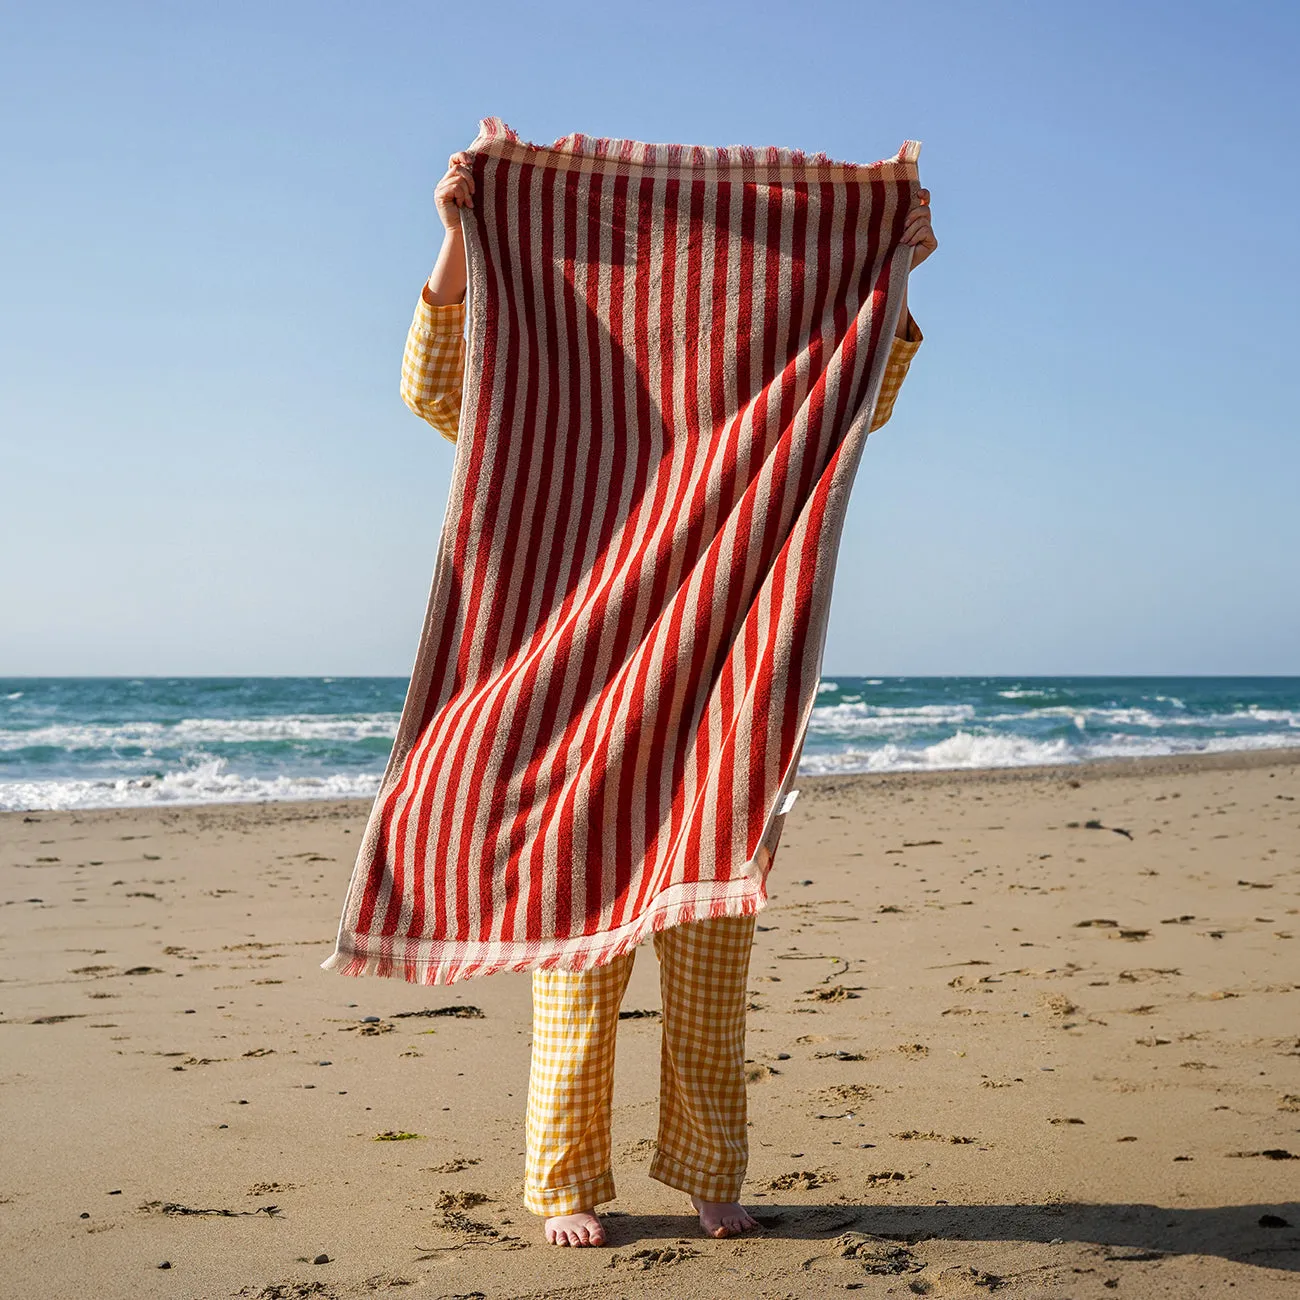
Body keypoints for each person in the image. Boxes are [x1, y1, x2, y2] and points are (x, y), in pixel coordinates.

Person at [399, 150, 937, 1248]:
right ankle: (563, 1182)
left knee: (705, 964)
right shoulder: (545, 415)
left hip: (710, 710)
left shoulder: (743, 438)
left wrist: (897, 265)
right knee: (577, 960)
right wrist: (460, 228)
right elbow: (438, 383)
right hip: (570, 712)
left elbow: (853, 391)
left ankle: (706, 1170)